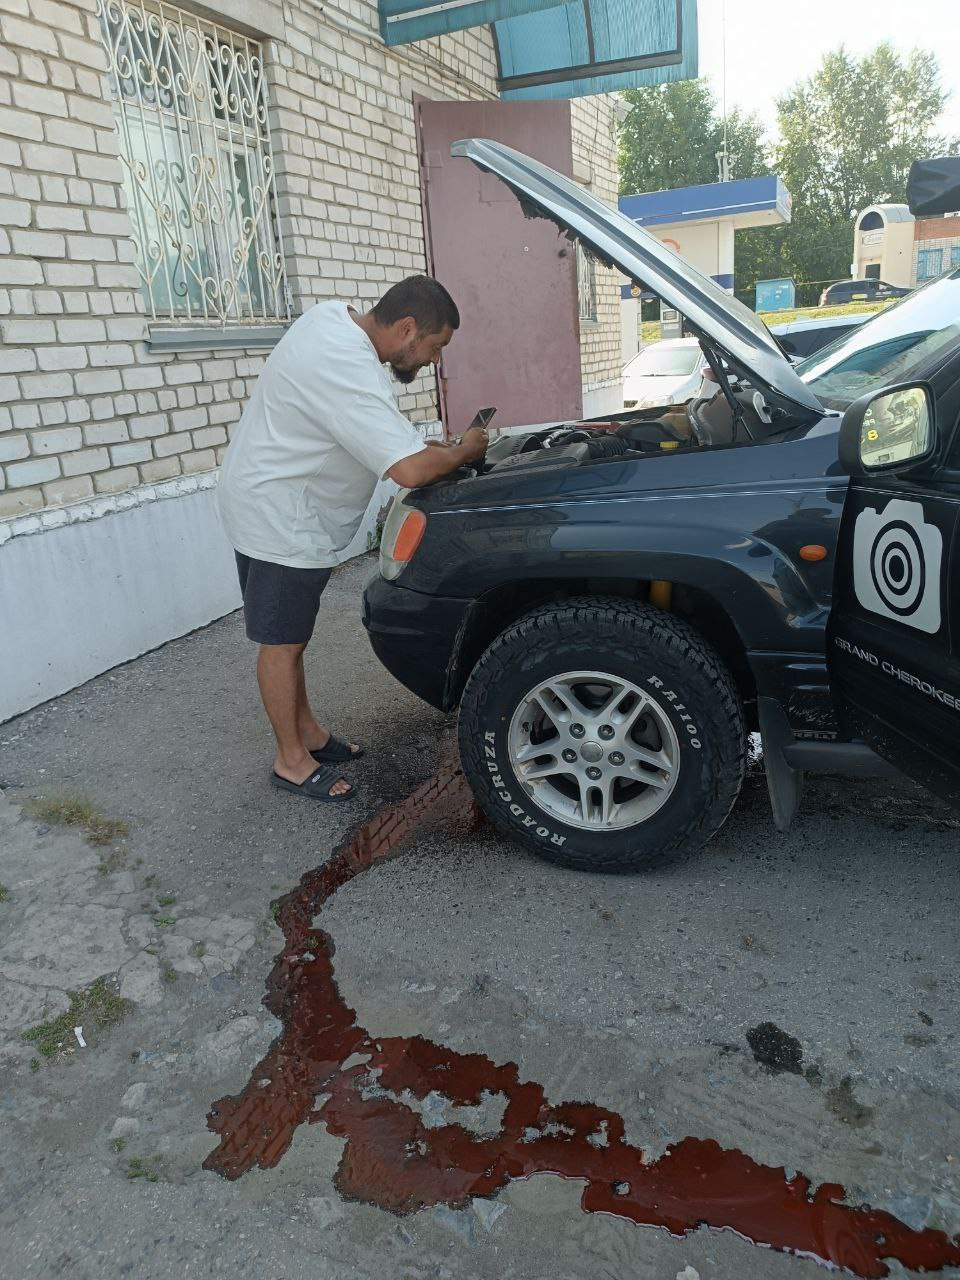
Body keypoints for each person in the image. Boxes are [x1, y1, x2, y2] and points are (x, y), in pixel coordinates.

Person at [217, 275, 489, 803]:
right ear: (407, 327)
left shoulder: (333, 322)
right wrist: (464, 451)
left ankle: (310, 735)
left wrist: (422, 444)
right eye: (434, 347)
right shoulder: (344, 362)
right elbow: (409, 471)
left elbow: (365, 425)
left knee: (293, 635)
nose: (434, 360)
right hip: (279, 517)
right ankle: (290, 761)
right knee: (282, 642)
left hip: (272, 500)